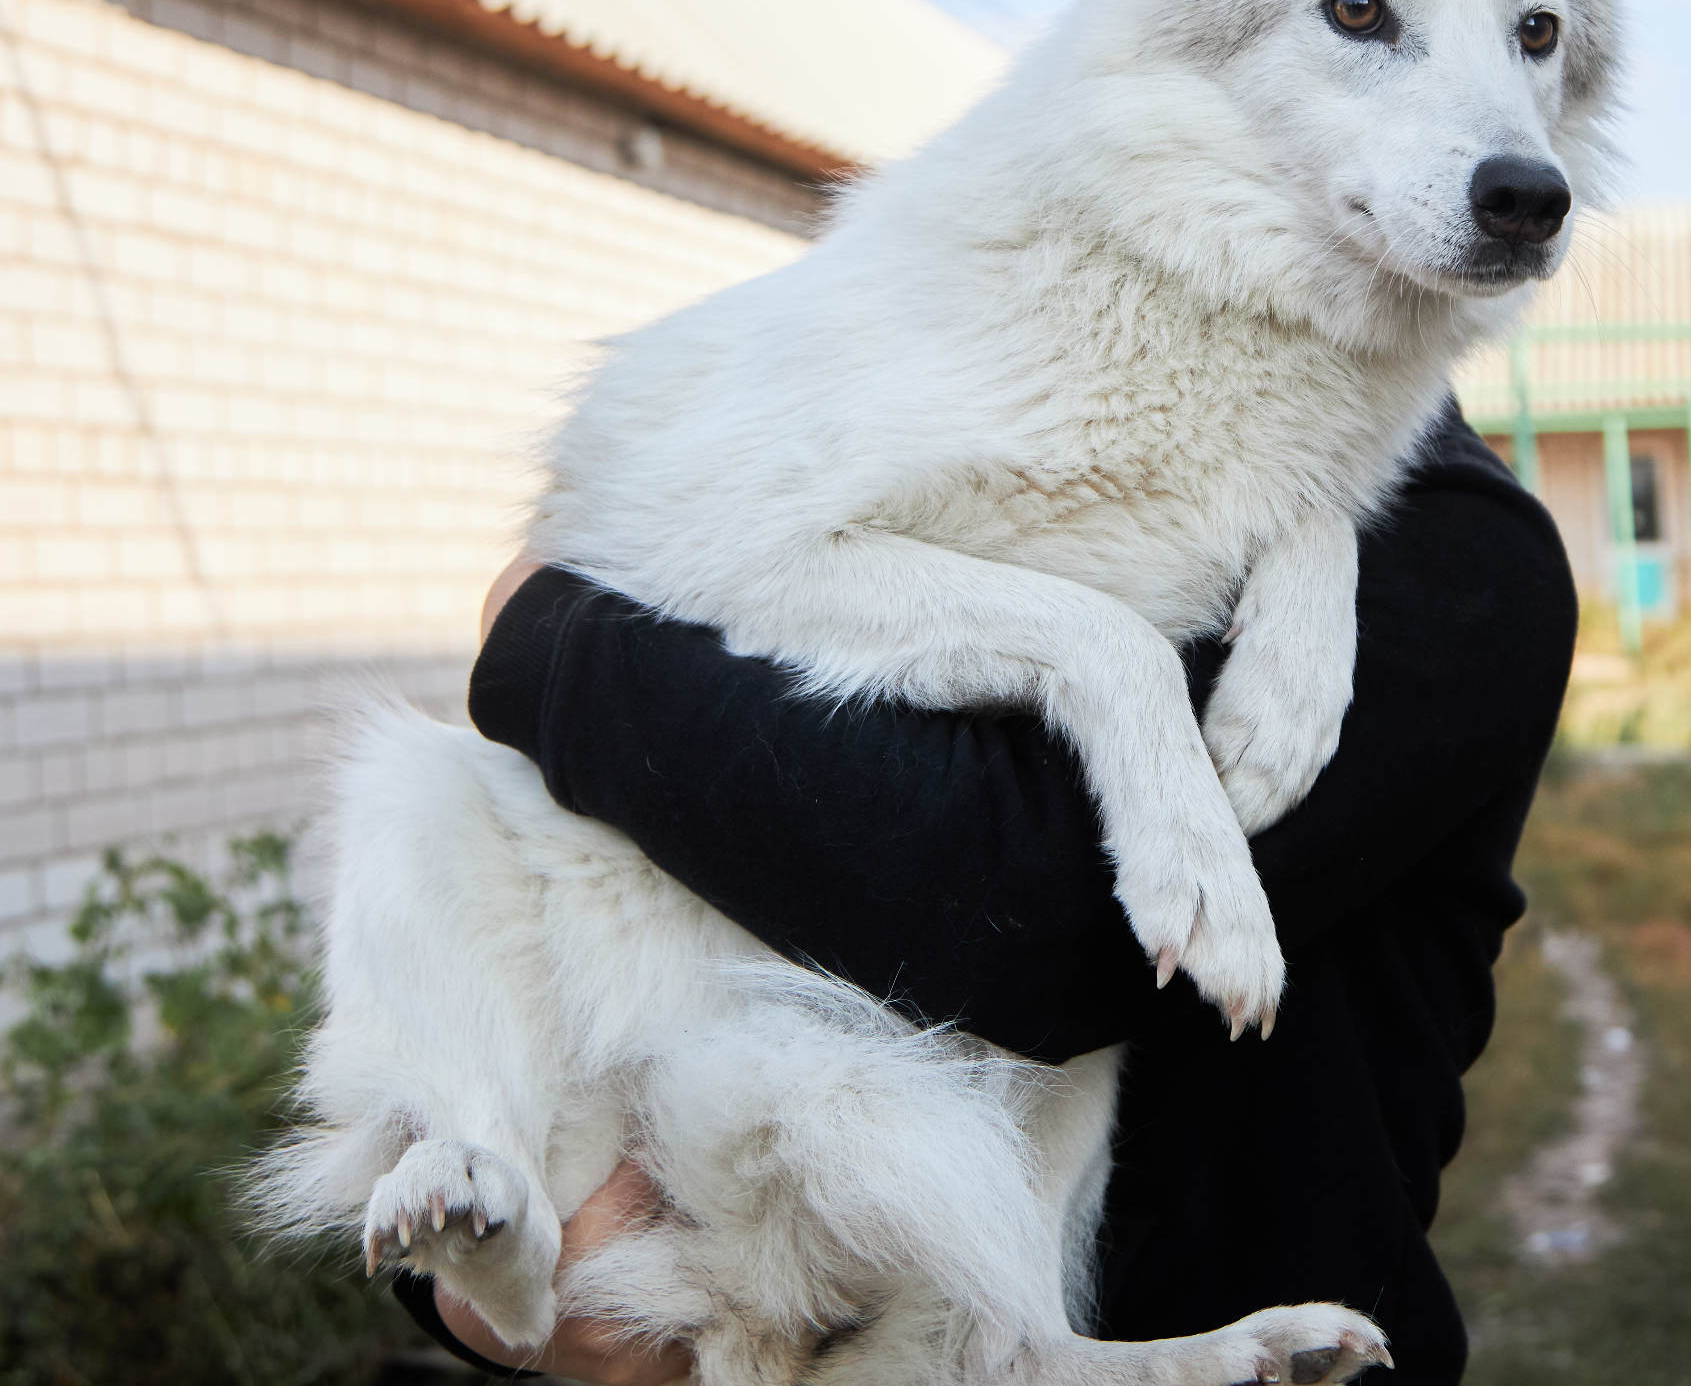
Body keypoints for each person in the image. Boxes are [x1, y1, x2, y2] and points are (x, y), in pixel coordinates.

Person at [394, 408, 1574, 1384]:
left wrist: (552, 641)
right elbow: (578, 875)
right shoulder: (985, 429)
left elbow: (1017, 908)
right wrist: (501, 1285)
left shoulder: (1459, 553)